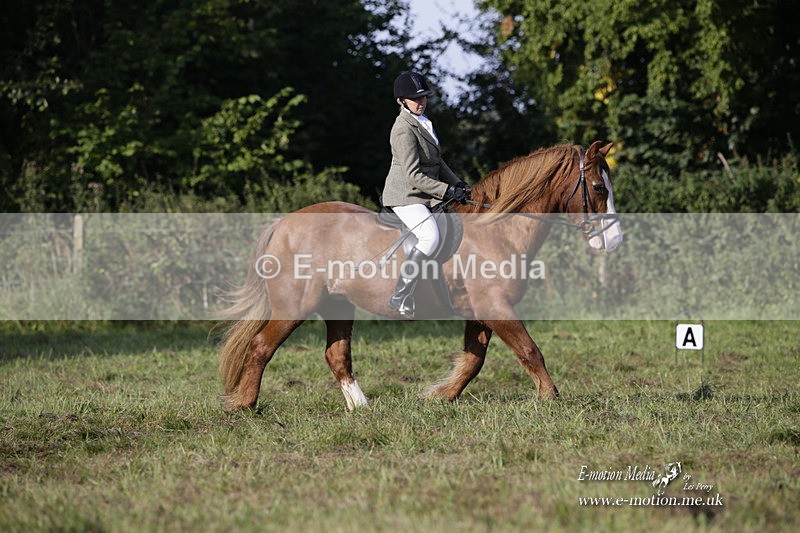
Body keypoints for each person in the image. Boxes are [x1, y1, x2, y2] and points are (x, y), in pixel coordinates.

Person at [382, 71, 471, 318]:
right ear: (402, 101)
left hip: (425, 192)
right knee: (429, 237)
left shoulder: (424, 122)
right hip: (406, 195)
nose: (421, 102)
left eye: (423, 97)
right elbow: (413, 176)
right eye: (415, 98)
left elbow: (437, 162)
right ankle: (400, 296)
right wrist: (446, 190)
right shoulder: (402, 129)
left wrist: (459, 184)